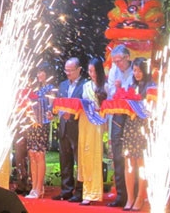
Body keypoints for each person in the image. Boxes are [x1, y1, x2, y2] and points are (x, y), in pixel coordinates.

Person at [52, 57, 86, 202]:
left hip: (78, 127)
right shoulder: (63, 85)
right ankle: (66, 190)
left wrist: (71, 113)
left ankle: (80, 191)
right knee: (65, 159)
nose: (68, 73)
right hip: (64, 126)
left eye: (71, 70)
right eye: (66, 70)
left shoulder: (85, 85)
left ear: (79, 69)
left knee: (79, 160)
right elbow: (58, 103)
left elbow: (86, 106)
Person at [122, 58, 154, 211]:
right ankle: (130, 197)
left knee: (142, 163)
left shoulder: (152, 87)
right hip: (130, 125)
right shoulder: (131, 86)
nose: (137, 73)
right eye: (134, 70)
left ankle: (140, 197)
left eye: (140, 70)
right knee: (128, 162)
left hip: (144, 127)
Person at [106, 45, 133, 208]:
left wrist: (121, 89)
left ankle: (134, 194)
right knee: (117, 155)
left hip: (132, 116)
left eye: (119, 61)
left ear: (127, 57)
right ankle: (121, 195)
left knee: (132, 156)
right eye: (114, 61)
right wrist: (116, 88)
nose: (117, 64)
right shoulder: (113, 71)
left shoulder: (135, 69)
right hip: (117, 114)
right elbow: (109, 91)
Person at [77, 58, 108, 206]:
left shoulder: (105, 86)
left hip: (97, 122)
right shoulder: (86, 86)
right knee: (85, 153)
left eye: (94, 71)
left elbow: (107, 108)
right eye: (90, 71)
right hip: (85, 122)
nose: (92, 74)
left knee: (95, 155)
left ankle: (94, 192)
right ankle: (86, 192)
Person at [25, 64, 54, 199]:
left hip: (43, 124)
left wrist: (51, 113)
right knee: (31, 153)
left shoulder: (50, 88)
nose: (38, 75)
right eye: (37, 72)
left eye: (41, 72)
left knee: (39, 154)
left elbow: (52, 107)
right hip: (31, 124)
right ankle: (34, 187)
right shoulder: (34, 89)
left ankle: (39, 187)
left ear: (47, 73)